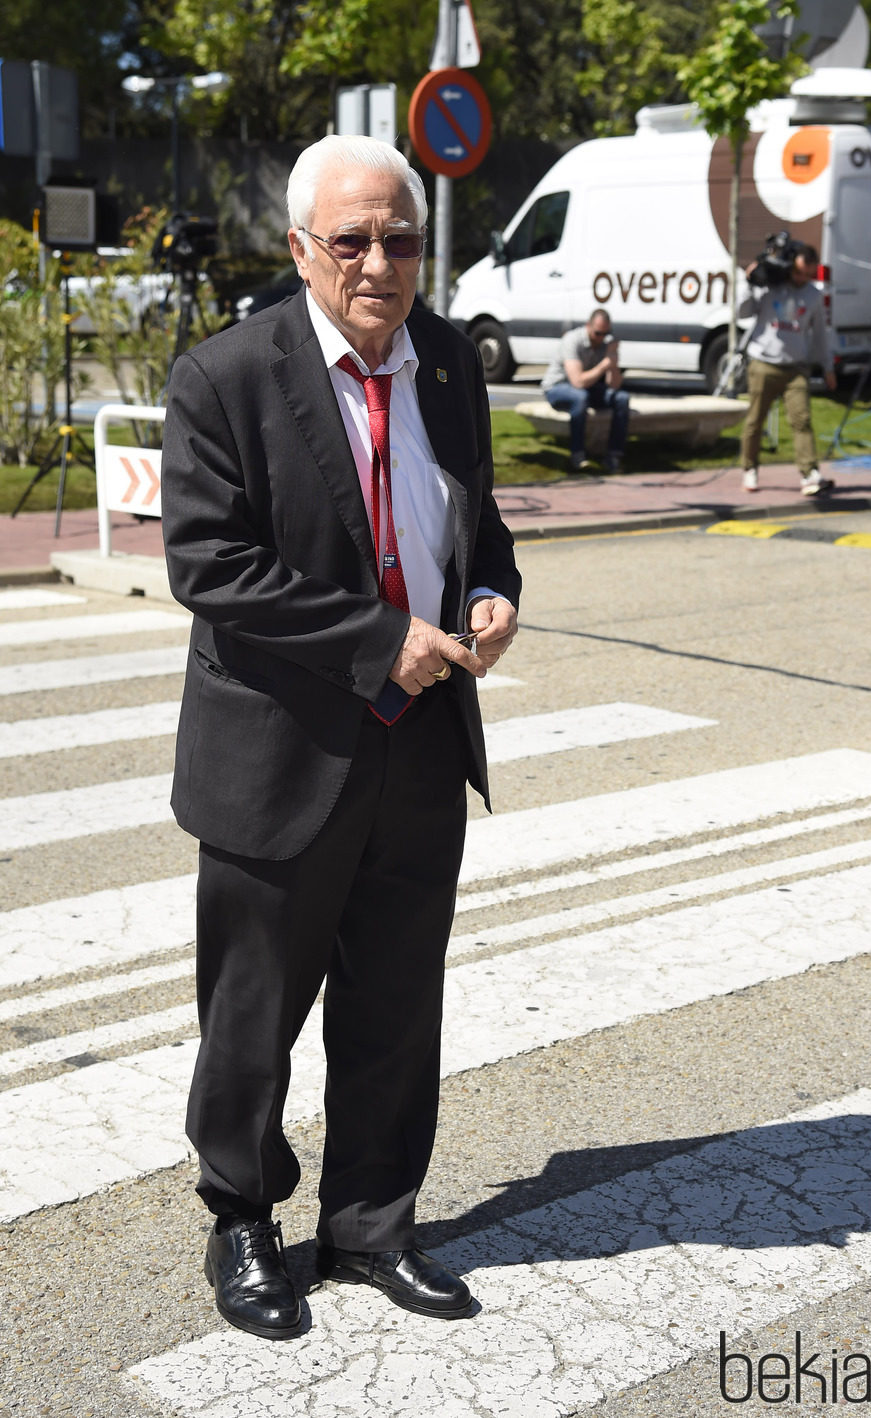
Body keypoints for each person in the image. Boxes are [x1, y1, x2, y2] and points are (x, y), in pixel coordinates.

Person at [160, 134, 521, 1340]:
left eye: (400, 238)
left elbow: (476, 515)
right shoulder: (226, 375)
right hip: (281, 746)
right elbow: (210, 564)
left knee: (396, 999)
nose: (378, 261)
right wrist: (381, 639)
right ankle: (244, 1216)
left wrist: (486, 589)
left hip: (419, 738)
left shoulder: (447, 361)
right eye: (351, 239)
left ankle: (371, 1221)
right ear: (301, 247)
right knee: (253, 1009)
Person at [738, 244, 837, 495]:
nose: (802, 279)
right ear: (790, 266)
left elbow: (820, 335)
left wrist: (827, 366)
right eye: (798, 273)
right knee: (755, 421)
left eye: (808, 274)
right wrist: (749, 282)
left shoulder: (814, 296)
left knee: (802, 420)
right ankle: (749, 468)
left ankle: (809, 473)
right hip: (763, 362)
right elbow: (743, 311)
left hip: (795, 367)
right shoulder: (771, 286)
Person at [541, 308, 630, 471]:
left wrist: (612, 359)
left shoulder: (606, 344)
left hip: (588, 387)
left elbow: (614, 386)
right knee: (580, 397)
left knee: (622, 398)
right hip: (557, 387)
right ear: (588, 326)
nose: (601, 338)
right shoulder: (572, 340)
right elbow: (578, 382)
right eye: (598, 333)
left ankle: (613, 456)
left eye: (606, 333)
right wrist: (604, 364)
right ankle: (577, 455)